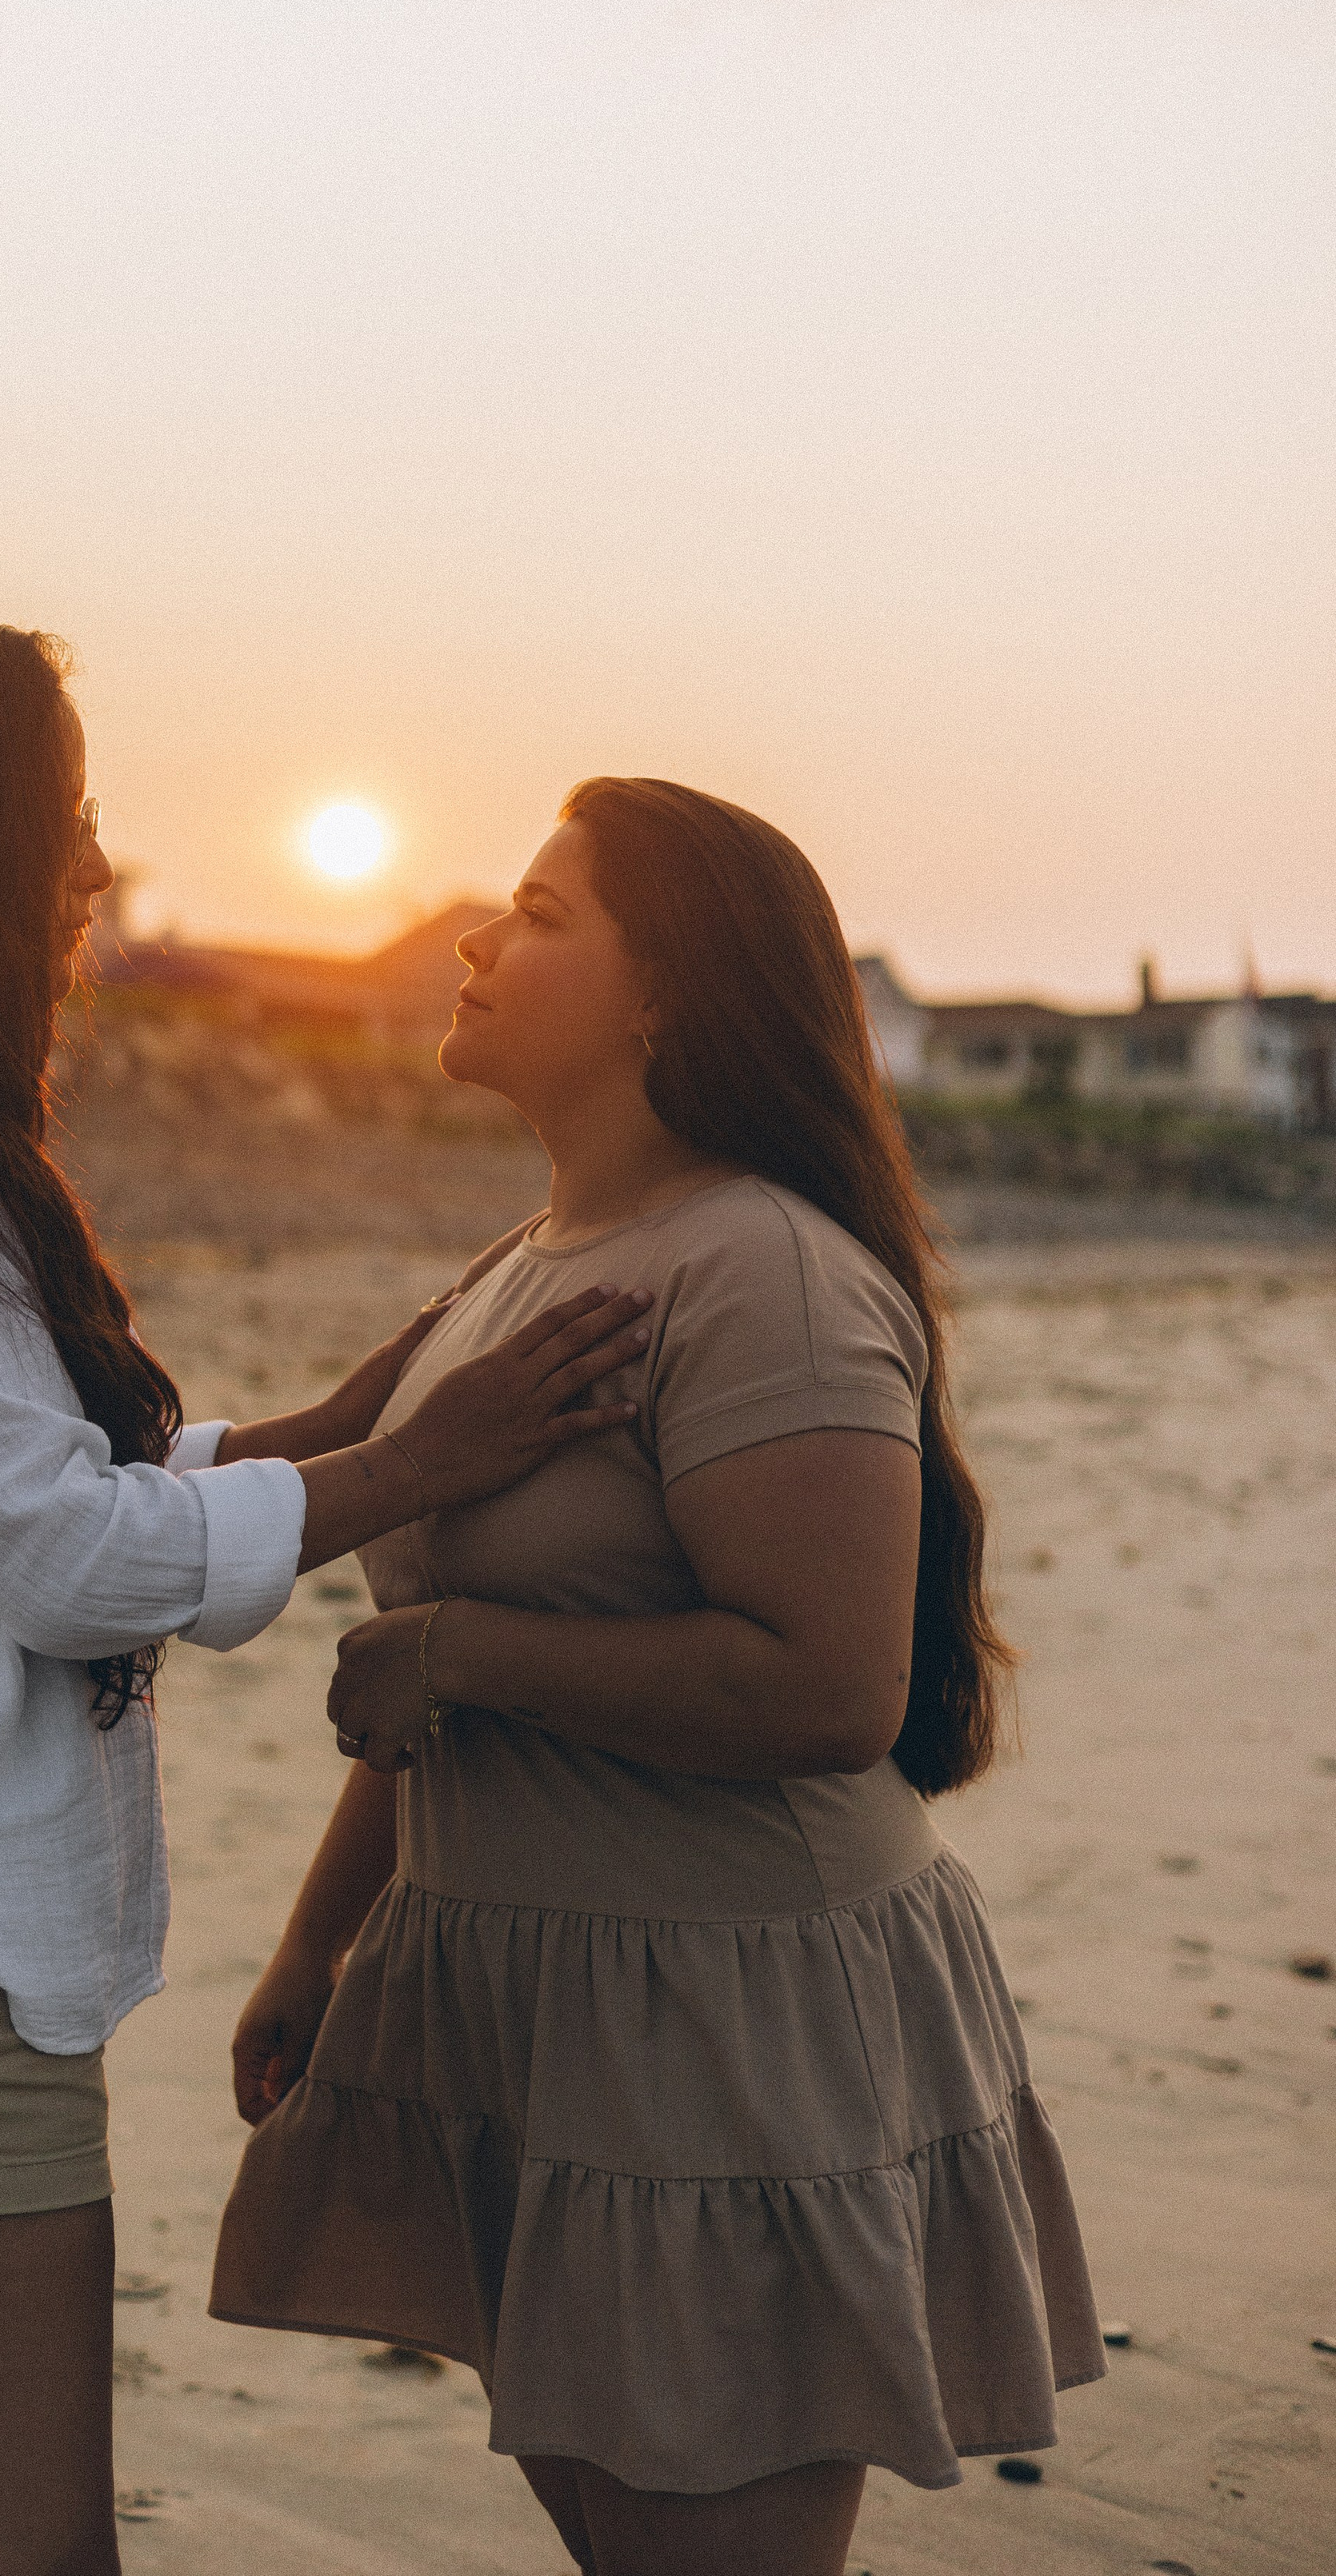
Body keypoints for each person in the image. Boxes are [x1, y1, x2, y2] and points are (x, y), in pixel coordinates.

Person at [0, 612, 653, 2576]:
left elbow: (43, 1491)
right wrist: (413, 1468)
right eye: (60, 821)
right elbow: (58, 1558)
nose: (93, 870)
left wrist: (350, 1415)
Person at [210, 777, 1104, 2576]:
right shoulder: (523, 1266)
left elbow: (825, 1689)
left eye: (539, 915)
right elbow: (423, 1656)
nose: (473, 937)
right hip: (529, 1995)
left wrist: (463, 1651)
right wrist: (322, 1938)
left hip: (722, 2024)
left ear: (660, 995)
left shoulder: (761, 1270)